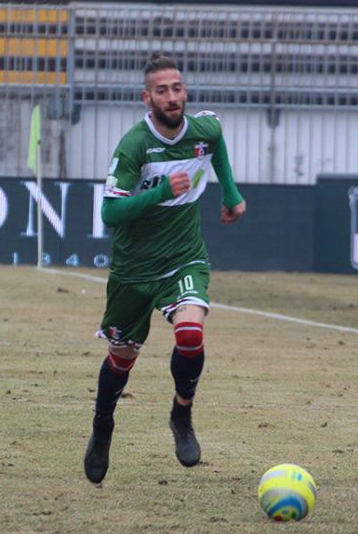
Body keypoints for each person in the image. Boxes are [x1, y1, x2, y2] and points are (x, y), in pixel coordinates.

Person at [83, 52, 247, 484]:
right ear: (147, 98)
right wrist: (159, 193)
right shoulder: (134, 145)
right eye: (162, 91)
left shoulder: (203, 129)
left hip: (183, 257)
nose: (172, 97)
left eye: (177, 88)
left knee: (190, 333)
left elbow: (216, 141)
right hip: (134, 270)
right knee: (122, 358)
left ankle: (181, 414)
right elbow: (110, 214)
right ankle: (103, 426)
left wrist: (230, 194)